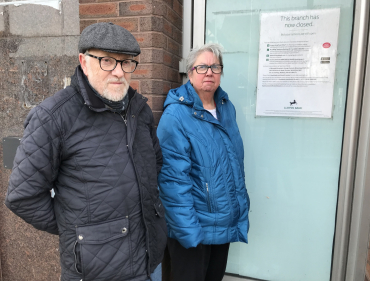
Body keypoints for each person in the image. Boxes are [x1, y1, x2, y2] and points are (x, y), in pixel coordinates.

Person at [5, 22, 167, 281]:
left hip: (149, 258)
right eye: (107, 61)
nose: (118, 72)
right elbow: (23, 197)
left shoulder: (140, 109)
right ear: (83, 61)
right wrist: (80, 229)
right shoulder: (53, 117)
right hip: (97, 269)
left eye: (126, 63)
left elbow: (154, 164)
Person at [157, 43, 250, 281]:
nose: (209, 72)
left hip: (222, 223)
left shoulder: (226, 108)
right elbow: (172, 182)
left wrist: (237, 213)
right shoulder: (175, 116)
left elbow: (233, 165)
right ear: (190, 73)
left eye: (215, 67)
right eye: (202, 67)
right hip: (193, 229)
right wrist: (188, 232)